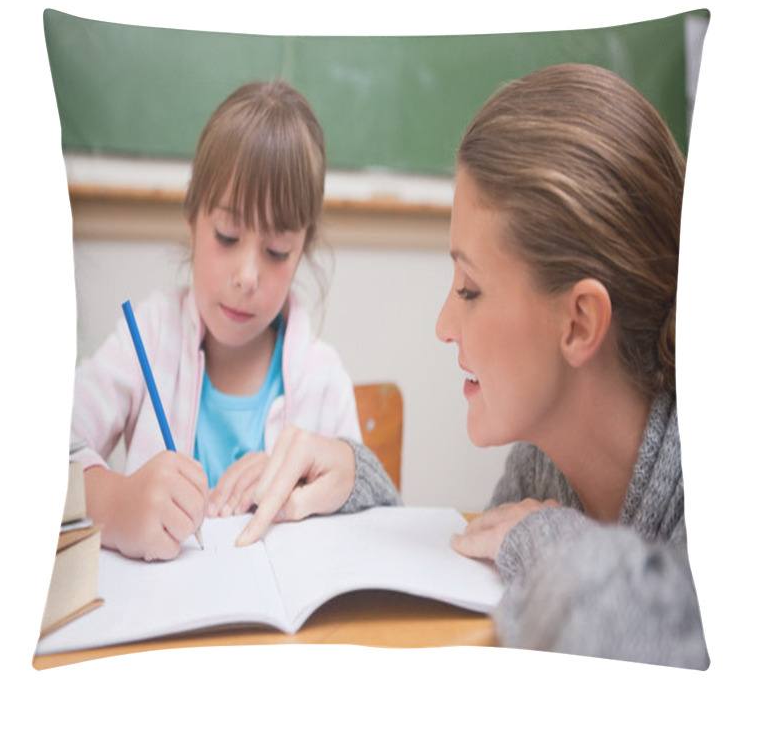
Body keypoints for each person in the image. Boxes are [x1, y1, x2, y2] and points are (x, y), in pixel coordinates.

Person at [233, 63, 709, 669]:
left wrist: (544, 540)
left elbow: (643, 641)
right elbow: (475, 559)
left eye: (470, 289)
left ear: (580, 323)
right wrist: (358, 482)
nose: (443, 325)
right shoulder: (546, 462)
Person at [71, 80, 368, 562]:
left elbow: (369, 521)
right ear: (192, 221)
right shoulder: (147, 337)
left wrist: (307, 489)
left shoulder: (323, 380)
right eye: (227, 236)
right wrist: (114, 503)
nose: (247, 276)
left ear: (301, 253)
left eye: (276, 251)